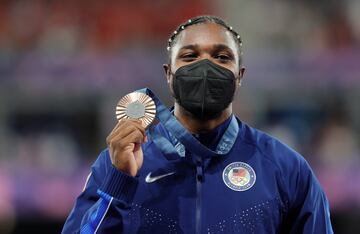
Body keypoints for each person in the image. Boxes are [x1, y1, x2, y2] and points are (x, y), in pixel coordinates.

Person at [62, 15, 333, 234]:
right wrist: (119, 183)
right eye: (190, 57)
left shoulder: (285, 168)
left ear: (239, 76)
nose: (205, 67)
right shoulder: (119, 161)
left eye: (222, 57)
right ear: (169, 74)